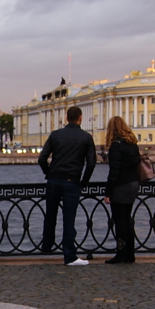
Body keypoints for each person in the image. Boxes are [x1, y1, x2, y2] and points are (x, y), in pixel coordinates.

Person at [37, 106, 96, 265]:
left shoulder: (56, 135)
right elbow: (91, 163)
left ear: (66, 118)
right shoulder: (86, 137)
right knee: (68, 219)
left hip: (53, 181)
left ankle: (46, 247)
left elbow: (42, 159)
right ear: (80, 118)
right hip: (72, 182)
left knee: (50, 216)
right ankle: (69, 256)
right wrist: (84, 181)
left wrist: (49, 174)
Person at [102, 115, 142, 264]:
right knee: (127, 219)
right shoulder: (132, 143)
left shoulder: (116, 145)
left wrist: (108, 192)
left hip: (121, 187)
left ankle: (121, 254)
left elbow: (114, 172)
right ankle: (130, 254)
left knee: (120, 222)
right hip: (133, 185)